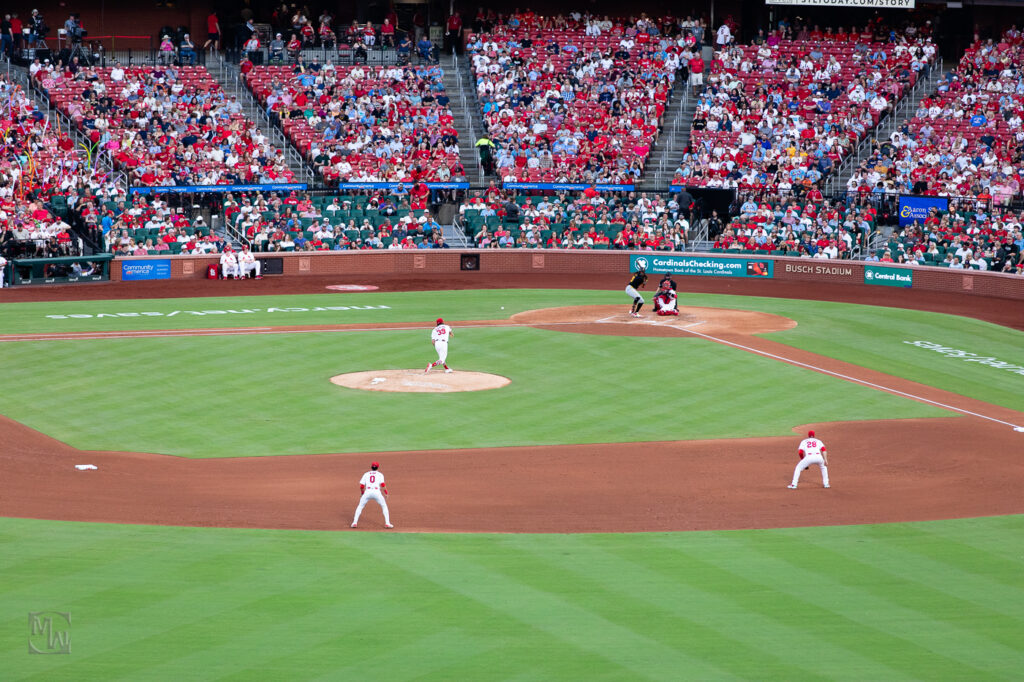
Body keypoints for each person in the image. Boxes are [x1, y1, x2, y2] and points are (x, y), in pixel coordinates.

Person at [351, 461, 393, 528]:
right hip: (377, 492)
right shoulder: (380, 474)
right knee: (384, 506)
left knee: (360, 506)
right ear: (378, 467)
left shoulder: (366, 474)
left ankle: (354, 523)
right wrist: (386, 493)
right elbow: (382, 485)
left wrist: (362, 493)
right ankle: (387, 523)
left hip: (367, 492)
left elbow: (362, 486)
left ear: (371, 467)